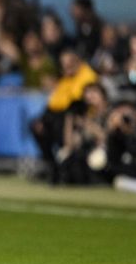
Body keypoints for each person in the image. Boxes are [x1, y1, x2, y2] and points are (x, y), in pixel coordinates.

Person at [30, 49, 99, 184]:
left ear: (78, 61)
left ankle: (63, 169)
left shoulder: (87, 76)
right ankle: (52, 166)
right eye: (64, 64)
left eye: (69, 63)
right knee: (37, 126)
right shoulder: (67, 79)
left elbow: (76, 103)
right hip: (61, 116)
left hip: (81, 117)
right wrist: (42, 120)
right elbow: (54, 102)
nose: (66, 67)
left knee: (59, 124)